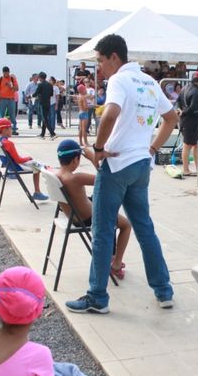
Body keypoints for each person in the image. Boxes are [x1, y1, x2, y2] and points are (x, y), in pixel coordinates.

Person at [65, 33, 178, 314]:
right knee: (145, 228)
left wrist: (99, 148)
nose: (99, 68)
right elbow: (172, 118)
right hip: (141, 165)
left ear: (114, 57)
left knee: (102, 231)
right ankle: (163, 291)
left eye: (101, 61)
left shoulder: (119, 80)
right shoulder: (150, 82)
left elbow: (111, 113)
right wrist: (151, 148)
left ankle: (97, 297)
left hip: (116, 165)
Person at [56, 139, 131, 280]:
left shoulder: (57, 175)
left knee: (101, 199)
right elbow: (107, 179)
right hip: (87, 218)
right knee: (126, 224)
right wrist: (92, 157)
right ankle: (115, 263)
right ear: (75, 160)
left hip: (74, 214)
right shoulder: (76, 178)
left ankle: (112, 255)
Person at [0, 117, 48, 200]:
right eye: (10, 128)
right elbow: (18, 160)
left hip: (9, 166)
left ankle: (43, 172)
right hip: (15, 167)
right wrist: (28, 158)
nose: (12, 130)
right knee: (37, 166)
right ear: (5, 130)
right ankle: (37, 192)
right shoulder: (9, 143)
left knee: (37, 164)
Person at [177, 71, 198, 176]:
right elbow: (193, 107)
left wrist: (180, 110)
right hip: (192, 120)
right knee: (187, 145)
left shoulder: (184, 87)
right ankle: (186, 169)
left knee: (196, 144)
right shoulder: (197, 91)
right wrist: (183, 112)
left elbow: (178, 101)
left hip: (185, 120)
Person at [0, 66, 19, 134]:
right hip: (2, 99)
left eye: (7, 72)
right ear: (3, 72)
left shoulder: (12, 79)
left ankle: (14, 129)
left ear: (9, 72)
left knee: (12, 115)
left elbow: (17, 89)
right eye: (4, 72)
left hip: (11, 99)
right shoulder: (0, 79)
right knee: (1, 116)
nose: (5, 74)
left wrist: (10, 86)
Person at [34, 72, 56, 140]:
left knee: (44, 119)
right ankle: (42, 134)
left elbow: (36, 93)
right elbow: (51, 94)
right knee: (45, 118)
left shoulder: (40, 85)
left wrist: (32, 96)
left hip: (42, 103)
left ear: (40, 78)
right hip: (48, 103)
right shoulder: (50, 85)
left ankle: (52, 133)